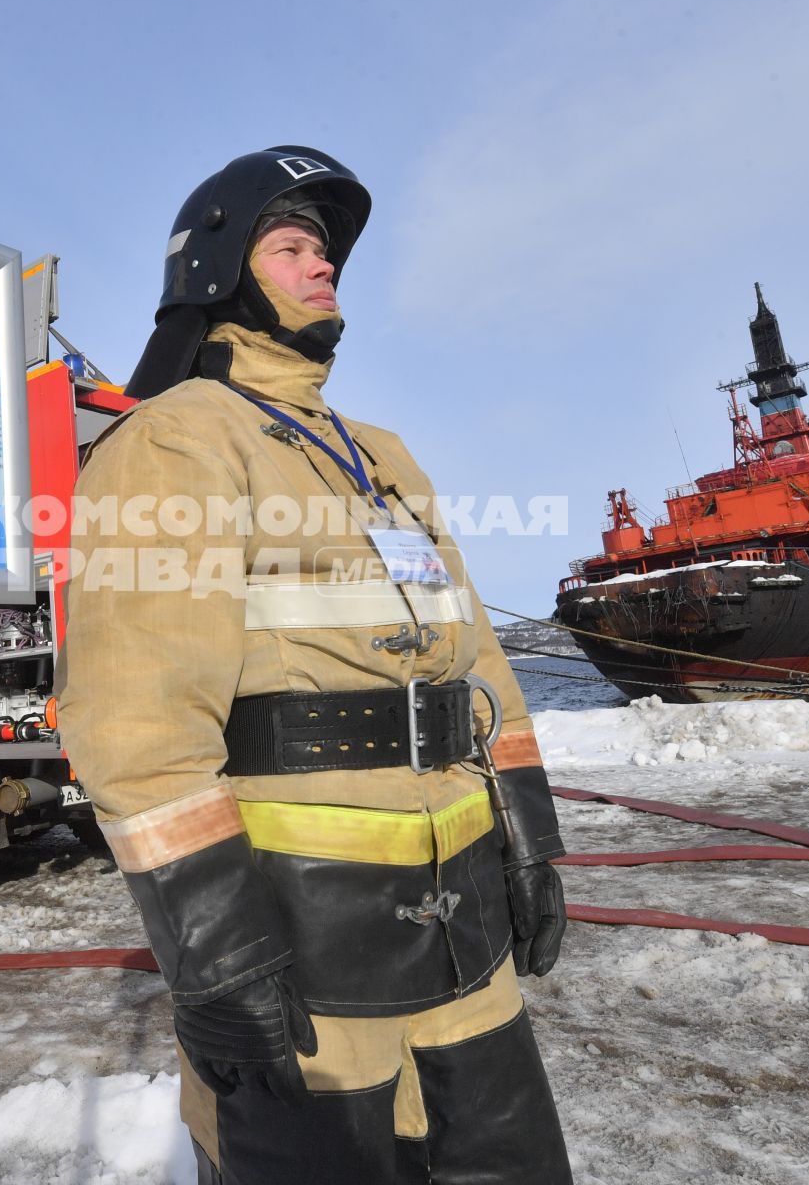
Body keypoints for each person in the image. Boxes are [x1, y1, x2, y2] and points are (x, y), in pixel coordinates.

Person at [56, 146, 572, 1183]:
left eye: (326, 250)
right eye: (290, 245)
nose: (321, 264)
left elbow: (477, 657)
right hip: (308, 950)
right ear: (217, 272)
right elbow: (137, 722)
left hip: (468, 932)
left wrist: (529, 833)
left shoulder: (381, 453)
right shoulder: (176, 441)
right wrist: (217, 949)